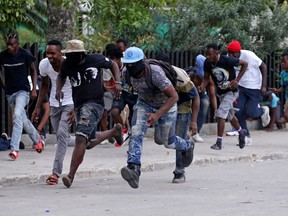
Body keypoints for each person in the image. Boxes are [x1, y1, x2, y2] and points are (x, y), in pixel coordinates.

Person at [120, 47, 193, 189]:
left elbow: (174, 96)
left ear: (142, 61)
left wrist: (157, 114)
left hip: (166, 105)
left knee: (168, 142)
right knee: (136, 132)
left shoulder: (155, 73)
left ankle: (188, 145)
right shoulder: (126, 73)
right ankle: (134, 168)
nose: (131, 67)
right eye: (128, 64)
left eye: (134, 64)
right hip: (145, 103)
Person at [56, 39, 123, 188]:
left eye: (75, 55)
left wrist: (117, 81)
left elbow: (113, 65)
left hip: (94, 104)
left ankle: (70, 176)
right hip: (79, 105)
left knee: (80, 138)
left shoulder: (95, 59)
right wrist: (58, 89)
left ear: (82, 54)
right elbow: (61, 76)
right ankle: (114, 131)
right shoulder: (67, 64)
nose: (72, 58)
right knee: (88, 143)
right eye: (69, 55)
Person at [32, 40, 74, 185]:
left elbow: (78, 86)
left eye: (52, 53)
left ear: (60, 53)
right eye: (47, 53)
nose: (49, 56)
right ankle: (95, 138)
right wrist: (37, 107)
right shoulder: (44, 64)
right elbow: (44, 85)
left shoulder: (70, 64)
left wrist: (76, 108)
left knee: (62, 135)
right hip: (54, 105)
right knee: (64, 138)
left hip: (70, 103)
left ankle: (55, 173)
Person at [155, 52, 199, 183]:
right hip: (165, 108)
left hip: (182, 109)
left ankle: (179, 171)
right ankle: (187, 144)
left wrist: (194, 122)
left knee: (175, 139)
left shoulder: (180, 77)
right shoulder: (152, 75)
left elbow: (195, 96)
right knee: (159, 139)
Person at [0, 32, 44, 160]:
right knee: (23, 120)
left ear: (17, 44)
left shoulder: (25, 54)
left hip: (23, 91)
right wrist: (2, 83)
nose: (9, 47)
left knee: (17, 116)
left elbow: (34, 70)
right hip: (10, 93)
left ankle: (14, 149)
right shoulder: (3, 56)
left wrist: (34, 89)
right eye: (8, 44)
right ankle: (37, 140)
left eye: (12, 45)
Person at [198, 43, 248, 150]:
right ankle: (241, 131)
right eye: (206, 54)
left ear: (217, 53)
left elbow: (245, 64)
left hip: (231, 92)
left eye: (209, 54)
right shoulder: (208, 63)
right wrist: (202, 86)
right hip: (221, 93)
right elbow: (206, 78)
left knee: (220, 114)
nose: (207, 56)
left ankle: (219, 142)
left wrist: (237, 80)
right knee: (229, 116)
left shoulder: (227, 60)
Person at [227, 40, 270, 145]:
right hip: (241, 87)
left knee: (250, 112)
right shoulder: (229, 58)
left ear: (239, 51)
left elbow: (263, 66)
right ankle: (246, 136)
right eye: (230, 53)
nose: (232, 55)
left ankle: (263, 111)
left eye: (234, 53)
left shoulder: (249, 55)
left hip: (254, 87)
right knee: (238, 110)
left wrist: (263, 86)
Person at [108, 44, 138, 145]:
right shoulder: (109, 67)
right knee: (114, 112)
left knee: (133, 119)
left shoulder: (128, 59)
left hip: (135, 93)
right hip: (122, 92)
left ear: (117, 58)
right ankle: (123, 129)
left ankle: (133, 140)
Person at [191, 54, 217, 142]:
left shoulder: (209, 78)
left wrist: (216, 110)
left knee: (205, 102)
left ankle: (195, 132)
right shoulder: (190, 76)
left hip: (200, 95)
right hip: (188, 95)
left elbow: (212, 95)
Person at [269, 52, 288, 127]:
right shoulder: (283, 73)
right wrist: (276, 90)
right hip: (287, 97)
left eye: (284, 61)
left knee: (286, 115)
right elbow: (283, 87)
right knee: (285, 117)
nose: (282, 63)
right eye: (281, 62)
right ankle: (277, 122)